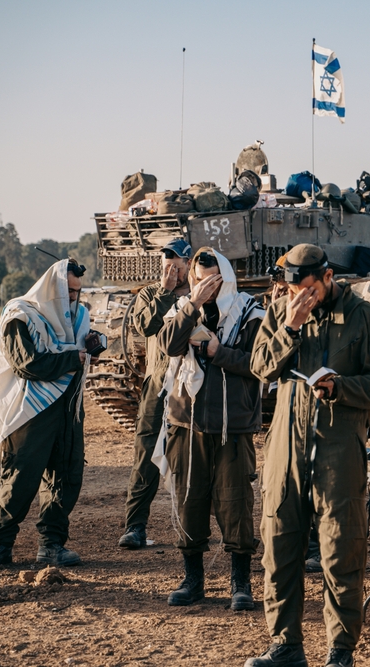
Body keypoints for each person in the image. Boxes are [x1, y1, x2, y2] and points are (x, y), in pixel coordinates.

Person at [247, 244, 370, 667]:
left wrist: (342, 387)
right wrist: (290, 328)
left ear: (328, 277)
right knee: (279, 549)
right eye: (294, 290)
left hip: (338, 451)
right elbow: (260, 367)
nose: (302, 298)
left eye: (309, 289)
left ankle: (340, 650)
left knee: (340, 551)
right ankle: (286, 646)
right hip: (285, 451)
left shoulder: (363, 316)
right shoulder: (282, 312)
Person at [154, 247, 264, 611]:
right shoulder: (183, 309)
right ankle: (193, 579)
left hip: (234, 425)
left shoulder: (250, 312)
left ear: (226, 277)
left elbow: (263, 363)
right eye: (199, 281)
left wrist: (220, 353)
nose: (206, 287)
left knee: (236, 504)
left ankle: (240, 583)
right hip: (188, 421)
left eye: (213, 280)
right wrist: (191, 305)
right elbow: (168, 344)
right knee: (190, 500)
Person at [0, 258, 99, 569]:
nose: (74, 298)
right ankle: (0, 546)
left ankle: (52, 546)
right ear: (53, 289)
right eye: (68, 292)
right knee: (20, 480)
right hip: (30, 412)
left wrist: (92, 346)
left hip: (68, 410)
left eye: (77, 292)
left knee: (65, 479)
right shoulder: (20, 315)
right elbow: (28, 364)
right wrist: (74, 358)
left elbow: (76, 350)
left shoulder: (77, 316)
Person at [118, 239, 192, 549]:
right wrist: (164, 290)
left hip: (192, 386)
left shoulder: (200, 294)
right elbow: (144, 325)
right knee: (146, 452)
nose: (171, 267)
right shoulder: (150, 294)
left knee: (193, 457)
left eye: (177, 262)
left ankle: (193, 528)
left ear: (189, 264)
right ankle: (135, 526)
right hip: (157, 383)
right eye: (167, 261)